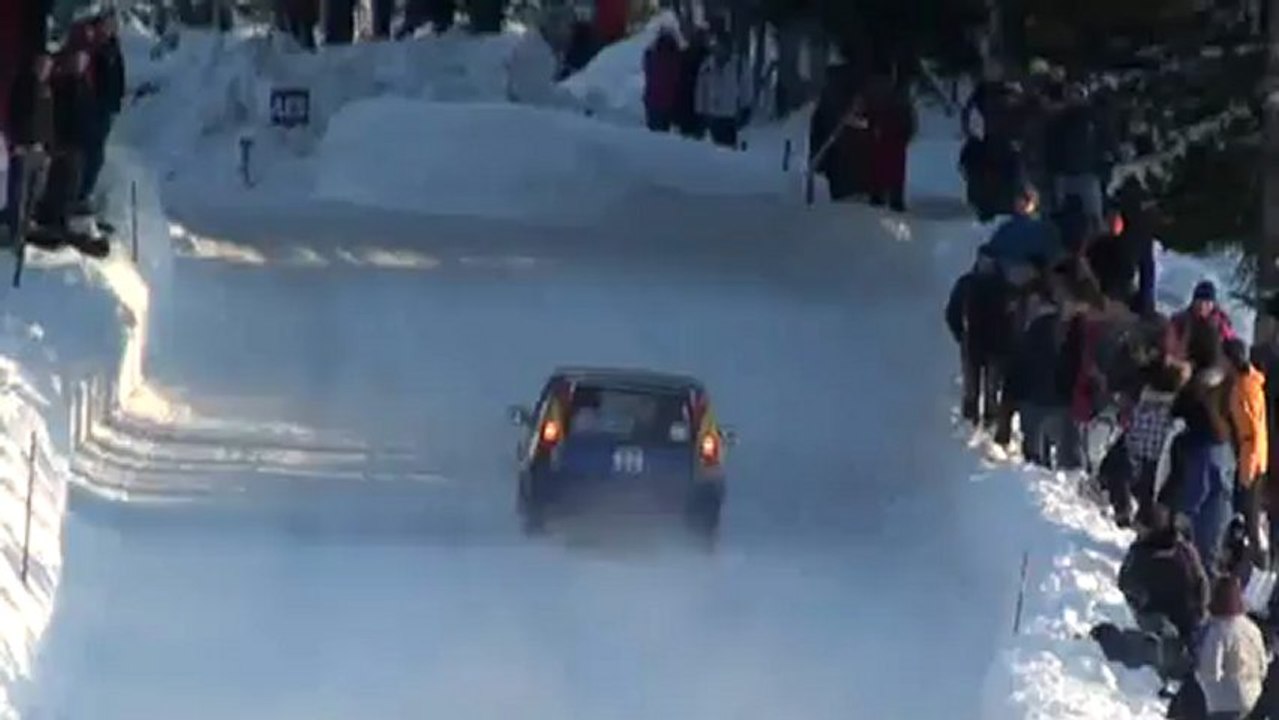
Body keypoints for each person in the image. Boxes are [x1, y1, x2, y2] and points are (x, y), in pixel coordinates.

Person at [1172, 340, 1236, 575]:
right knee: (1209, 557)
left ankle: (1200, 604)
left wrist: (1183, 513)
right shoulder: (1225, 444)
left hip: (1205, 519)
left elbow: (1199, 487)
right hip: (1221, 510)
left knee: (1201, 563)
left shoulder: (1203, 448)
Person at [1118, 505, 1208, 651]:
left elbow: (1124, 582)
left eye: (1140, 528)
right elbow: (1202, 583)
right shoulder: (1185, 549)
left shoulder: (1141, 553)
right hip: (1188, 621)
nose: (1137, 532)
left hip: (1161, 619)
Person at [946, 247, 1015, 432]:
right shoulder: (969, 283)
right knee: (971, 386)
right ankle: (971, 423)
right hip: (975, 342)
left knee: (992, 388)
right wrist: (960, 334)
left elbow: (1013, 314)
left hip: (996, 344)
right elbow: (953, 311)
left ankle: (988, 423)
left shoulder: (1004, 286)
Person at [1007, 281, 1076, 467]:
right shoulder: (1075, 330)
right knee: (1066, 460)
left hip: (1036, 401)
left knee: (1034, 460)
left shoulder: (1034, 330)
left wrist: (1007, 409)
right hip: (1060, 402)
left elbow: (1016, 368)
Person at [1128, 360, 1191, 527]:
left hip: (1143, 457)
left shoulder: (1144, 401)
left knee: (1145, 497)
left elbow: (1133, 432)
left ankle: (1142, 530)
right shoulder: (1172, 409)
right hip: (1162, 460)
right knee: (1159, 501)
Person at [1195, 576, 1267, 720]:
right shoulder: (1252, 628)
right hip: (1253, 696)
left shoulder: (1218, 630)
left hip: (1225, 701)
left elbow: (1209, 670)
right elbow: (1263, 667)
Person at [1224, 339, 1268, 568]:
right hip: (1258, 457)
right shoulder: (1254, 382)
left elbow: (1249, 432)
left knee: (1247, 520)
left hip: (1249, 461)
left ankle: (1254, 567)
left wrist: (1245, 471)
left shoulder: (1242, 389)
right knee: (1249, 518)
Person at [1044, 81, 1105, 237]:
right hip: (1064, 174)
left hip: (1087, 173)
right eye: (1071, 95)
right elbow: (1050, 146)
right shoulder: (1058, 120)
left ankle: (1095, 246)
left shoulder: (1093, 118)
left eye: (1078, 95)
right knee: (1062, 216)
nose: (1074, 99)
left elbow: (1105, 142)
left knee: (1093, 217)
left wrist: (1103, 166)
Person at [5, 52, 54, 241]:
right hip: (23, 146)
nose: (44, 69)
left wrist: (49, 147)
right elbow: (12, 115)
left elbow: (48, 120)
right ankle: (15, 232)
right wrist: (15, 143)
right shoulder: (23, 85)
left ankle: (27, 227)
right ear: (35, 65)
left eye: (48, 66)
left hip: (40, 148)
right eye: (42, 65)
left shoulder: (46, 88)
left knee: (36, 190)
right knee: (19, 192)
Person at [82, 9, 124, 207]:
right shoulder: (94, 50)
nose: (110, 29)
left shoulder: (113, 49)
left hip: (107, 107)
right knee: (91, 153)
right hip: (94, 107)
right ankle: (81, 194)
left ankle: (86, 192)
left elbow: (118, 78)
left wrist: (116, 102)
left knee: (97, 154)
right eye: (106, 25)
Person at [864, 73, 915, 212]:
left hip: (892, 124)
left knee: (886, 162)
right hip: (890, 123)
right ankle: (887, 195)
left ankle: (884, 195)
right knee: (887, 163)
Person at [695, 35, 751, 149]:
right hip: (713, 116)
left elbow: (746, 87)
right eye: (717, 47)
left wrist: (746, 108)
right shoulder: (707, 65)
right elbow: (701, 89)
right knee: (714, 150)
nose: (719, 50)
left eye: (722, 47)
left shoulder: (738, 64)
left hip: (730, 115)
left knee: (729, 150)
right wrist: (700, 110)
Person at [1167, 281, 1237, 363]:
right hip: (1185, 360)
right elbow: (1170, 342)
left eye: (1207, 302)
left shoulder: (1221, 322)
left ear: (1213, 304)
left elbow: (1231, 342)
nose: (1202, 306)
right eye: (1199, 301)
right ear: (1193, 301)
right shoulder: (1180, 320)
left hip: (1213, 363)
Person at [642, 28, 681, 133]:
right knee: (664, 130)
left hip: (653, 100)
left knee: (655, 130)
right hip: (668, 101)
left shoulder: (652, 56)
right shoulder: (675, 58)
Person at [674, 28, 709, 139]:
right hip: (699, 102)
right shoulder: (708, 56)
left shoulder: (683, 54)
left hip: (687, 101)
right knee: (697, 136)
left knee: (687, 137)